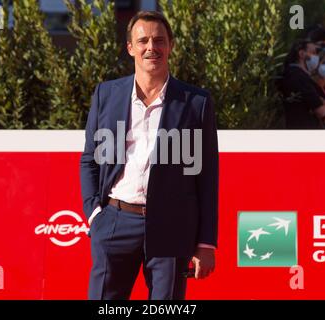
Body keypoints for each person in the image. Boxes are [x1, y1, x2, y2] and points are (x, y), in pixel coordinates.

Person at [80, 11, 218, 300]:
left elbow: (206, 176)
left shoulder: (196, 102)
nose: (151, 47)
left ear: (170, 45)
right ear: (130, 47)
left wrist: (206, 242)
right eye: (142, 40)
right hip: (115, 221)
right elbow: (90, 159)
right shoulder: (106, 94)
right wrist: (95, 215)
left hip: (172, 224)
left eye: (159, 40)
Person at [280, 39, 325, 129]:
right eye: (313, 52)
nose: (316, 57)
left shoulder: (289, 73)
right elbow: (322, 111)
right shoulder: (301, 78)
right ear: (302, 54)